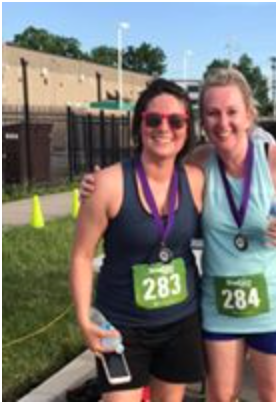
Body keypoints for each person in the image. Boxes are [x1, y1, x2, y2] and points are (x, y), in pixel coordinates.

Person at [80, 68, 276, 402]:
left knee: (275, 396)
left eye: (232, 112)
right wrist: (98, 184)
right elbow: (155, 166)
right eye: (212, 113)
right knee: (220, 397)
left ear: (249, 115)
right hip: (219, 306)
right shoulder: (199, 165)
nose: (223, 122)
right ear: (203, 122)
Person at [70, 79, 205, 402]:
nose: (164, 128)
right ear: (139, 124)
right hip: (121, 328)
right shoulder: (107, 184)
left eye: (176, 121)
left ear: (187, 128)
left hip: (181, 322)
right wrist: (83, 318)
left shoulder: (197, 180)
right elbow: (81, 256)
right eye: (153, 119)